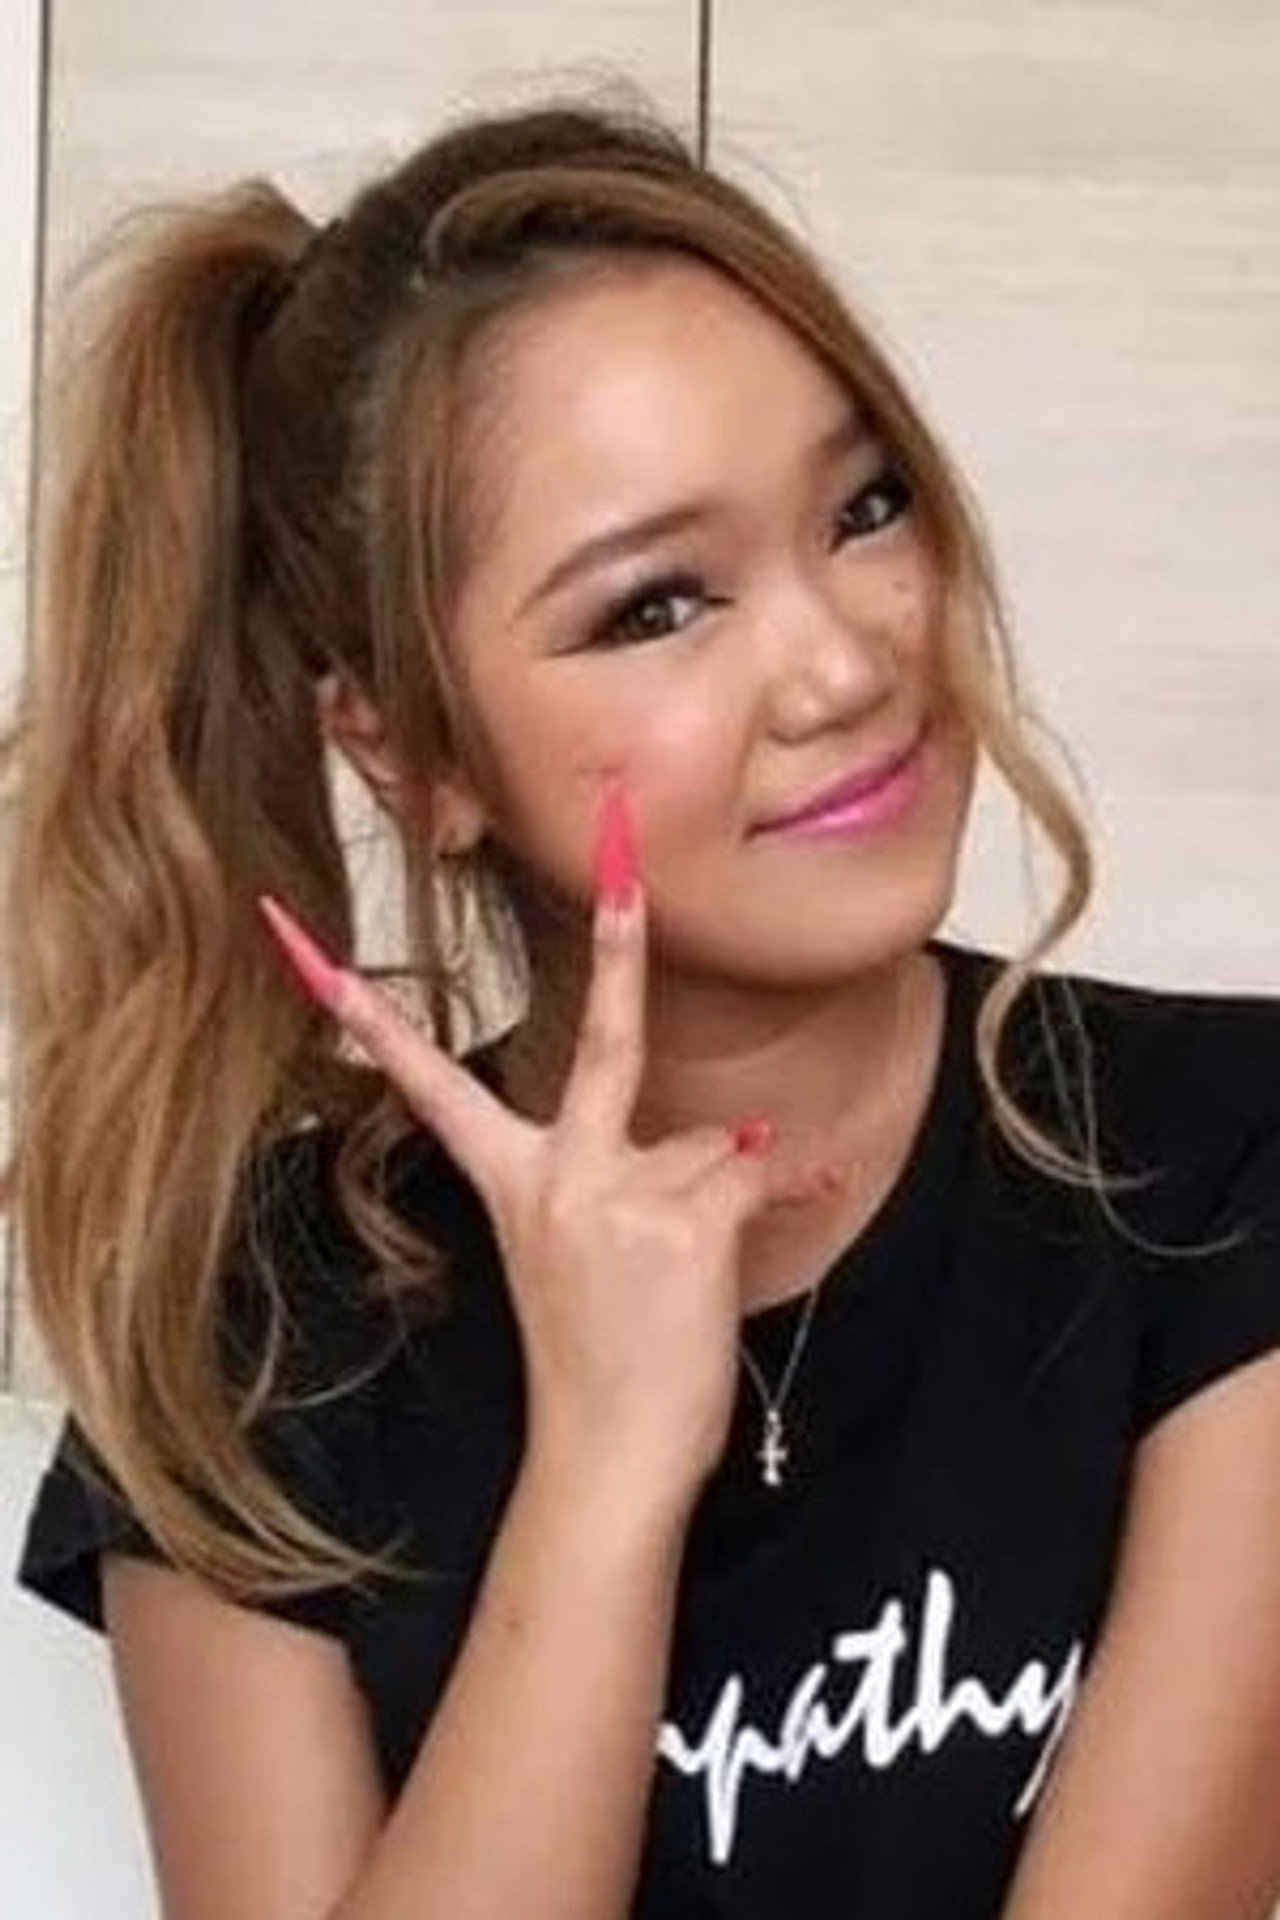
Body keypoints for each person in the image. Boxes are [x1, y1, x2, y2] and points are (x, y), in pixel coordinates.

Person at [6, 86, 1280, 1920]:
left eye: (864, 507)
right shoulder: (255, 1341)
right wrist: (604, 1479)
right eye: (657, 606)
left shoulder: (1223, 1173)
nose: (843, 664)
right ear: (410, 749)